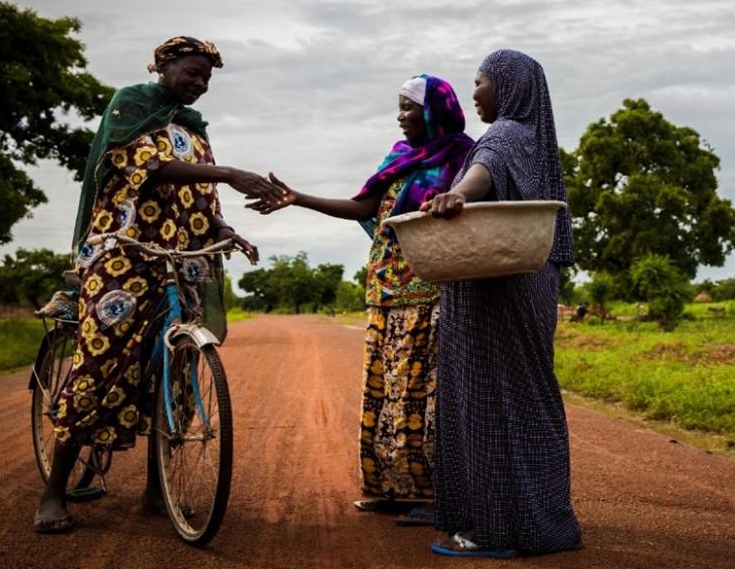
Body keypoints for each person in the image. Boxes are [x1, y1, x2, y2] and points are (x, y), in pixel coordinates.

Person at [34, 36, 277, 533]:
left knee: (175, 375)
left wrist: (228, 231)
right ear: (163, 66)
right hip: (123, 257)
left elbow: (204, 201)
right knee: (100, 369)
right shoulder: (132, 105)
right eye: (192, 72)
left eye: (207, 77)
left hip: (180, 262)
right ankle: (54, 491)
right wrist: (229, 172)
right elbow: (145, 169)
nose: (200, 84)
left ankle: (156, 489)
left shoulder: (194, 130)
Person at [248, 75, 474, 521]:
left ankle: (433, 494)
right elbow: (363, 207)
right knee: (385, 390)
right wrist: (298, 199)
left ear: (433, 111)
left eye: (409, 108)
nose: (400, 116)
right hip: (384, 290)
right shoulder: (399, 157)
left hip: (434, 292)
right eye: (400, 108)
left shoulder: (463, 160)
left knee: (423, 395)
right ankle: (389, 486)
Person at [420, 49, 582, 558]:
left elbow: (482, 173)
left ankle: (491, 530)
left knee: (486, 398)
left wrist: (457, 195)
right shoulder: (538, 141)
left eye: (480, 82)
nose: (474, 93)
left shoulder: (504, 133)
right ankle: (541, 523)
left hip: (494, 287)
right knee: (530, 397)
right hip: (532, 279)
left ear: (507, 87)